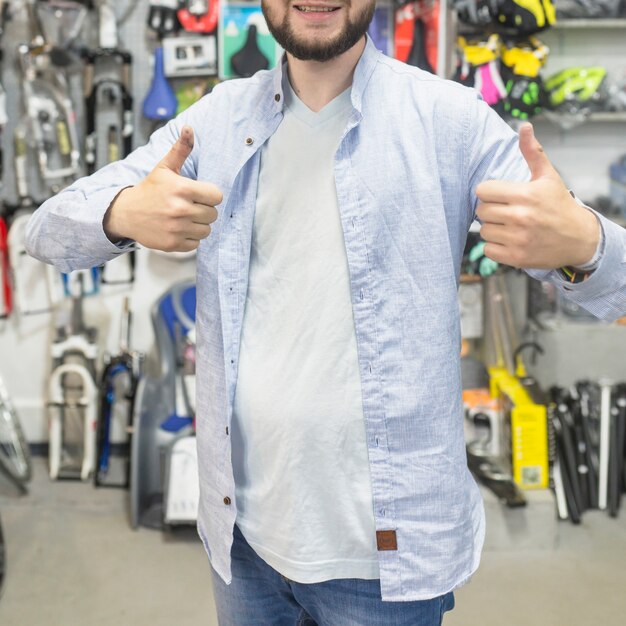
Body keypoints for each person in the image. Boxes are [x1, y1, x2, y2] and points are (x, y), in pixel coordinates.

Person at [26, 1, 626, 624]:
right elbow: (45, 230)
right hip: (244, 539)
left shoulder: (451, 121)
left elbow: (616, 281)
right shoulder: (216, 122)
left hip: (385, 559)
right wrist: (122, 212)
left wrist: (583, 245)